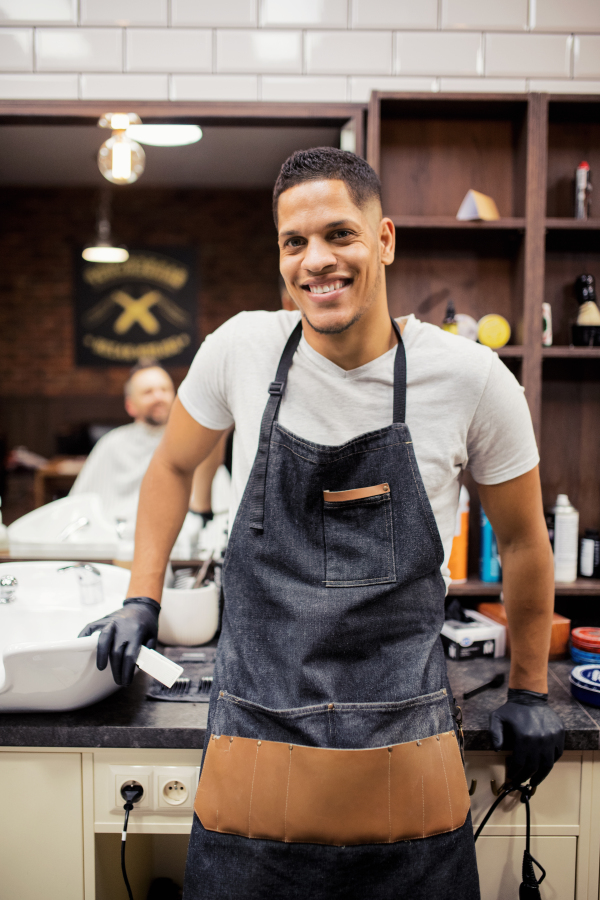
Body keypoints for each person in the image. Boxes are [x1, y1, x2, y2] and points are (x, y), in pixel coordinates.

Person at [80, 149, 564, 899]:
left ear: (386, 240)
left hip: (402, 734)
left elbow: (529, 540)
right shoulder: (239, 349)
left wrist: (530, 689)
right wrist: (143, 595)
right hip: (256, 734)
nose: (317, 262)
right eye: (293, 243)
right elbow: (172, 468)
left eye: (340, 234)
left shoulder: (471, 379)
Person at [71, 359, 224, 528]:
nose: (159, 397)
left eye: (164, 389)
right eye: (148, 392)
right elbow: (78, 507)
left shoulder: (193, 442)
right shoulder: (111, 444)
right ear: (130, 405)